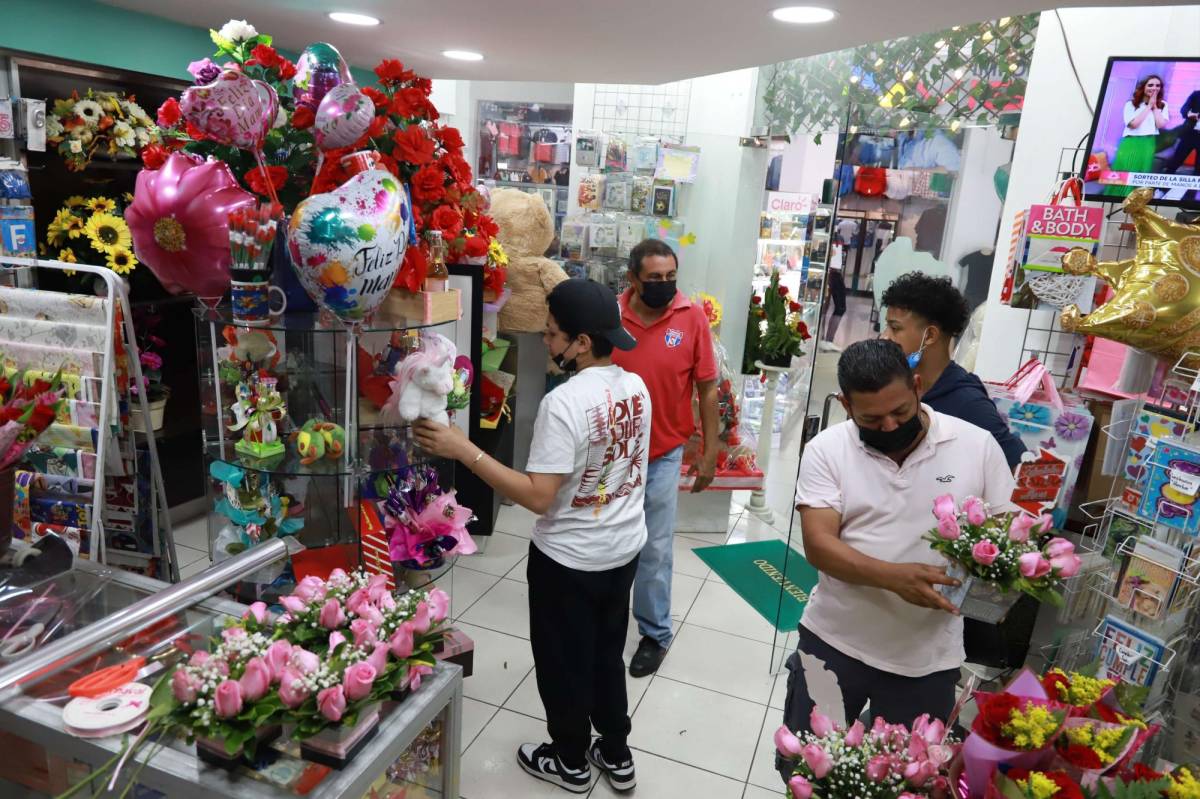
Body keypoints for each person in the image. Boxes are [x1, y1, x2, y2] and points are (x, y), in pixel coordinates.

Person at [415, 279, 649, 794]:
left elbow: (539, 496)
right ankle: (615, 749)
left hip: (568, 561)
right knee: (606, 653)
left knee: (564, 661)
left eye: (551, 334)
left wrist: (464, 449)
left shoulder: (565, 403)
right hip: (623, 548)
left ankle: (569, 759)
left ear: (581, 343)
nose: (545, 342)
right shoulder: (636, 387)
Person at [779, 340, 1015, 774]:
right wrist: (894, 578)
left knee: (910, 779)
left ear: (918, 386)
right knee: (807, 768)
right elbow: (819, 544)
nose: (889, 426)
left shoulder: (975, 447)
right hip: (834, 643)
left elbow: (1006, 535)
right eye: (871, 418)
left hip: (926, 659)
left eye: (900, 413)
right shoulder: (828, 450)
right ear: (846, 404)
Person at [610, 238, 719, 678]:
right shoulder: (609, 314)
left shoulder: (691, 317)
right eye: (654, 279)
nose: (664, 286)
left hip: (663, 452)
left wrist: (710, 452)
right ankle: (606, 626)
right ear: (633, 279)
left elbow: (707, 387)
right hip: (613, 452)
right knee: (609, 544)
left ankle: (654, 634)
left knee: (654, 548)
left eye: (670, 278)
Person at [880, 272, 1026, 469]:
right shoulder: (893, 383)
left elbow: (1019, 465)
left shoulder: (967, 403)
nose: (885, 337)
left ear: (930, 335)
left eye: (895, 328)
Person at [1105, 75, 1170, 198]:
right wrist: (1148, 107)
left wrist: (1155, 106)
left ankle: (1134, 200)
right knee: (1125, 171)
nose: (1154, 88)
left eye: (1157, 85)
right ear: (1143, 87)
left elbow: (1160, 124)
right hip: (1131, 142)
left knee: (1141, 172)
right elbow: (1133, 124)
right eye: (1150, 85)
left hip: (1148, 142)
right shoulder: (1131, 104)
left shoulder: (1163, 105)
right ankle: (1118, 198)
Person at [1165, 86, 1200, 179]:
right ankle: (1161, 189)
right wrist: (1189, 114)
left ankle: (1192, 193)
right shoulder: (1196, 94)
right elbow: (1184, 109)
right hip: (1190, 133)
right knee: (1175, 162)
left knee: (1198, 170)